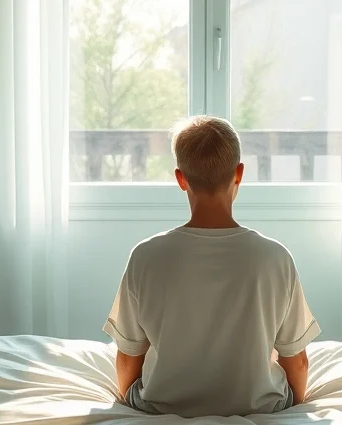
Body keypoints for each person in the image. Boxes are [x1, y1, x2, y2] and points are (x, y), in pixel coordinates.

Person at [102, 115, 321, 418]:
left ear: (181, 179)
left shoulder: (145, 256)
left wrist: (132, 401)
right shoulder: (275, 257)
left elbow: (128, 359)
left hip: (160, 405)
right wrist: (291, 408)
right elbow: (296, 361)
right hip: (261, 406)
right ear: (239, 173)